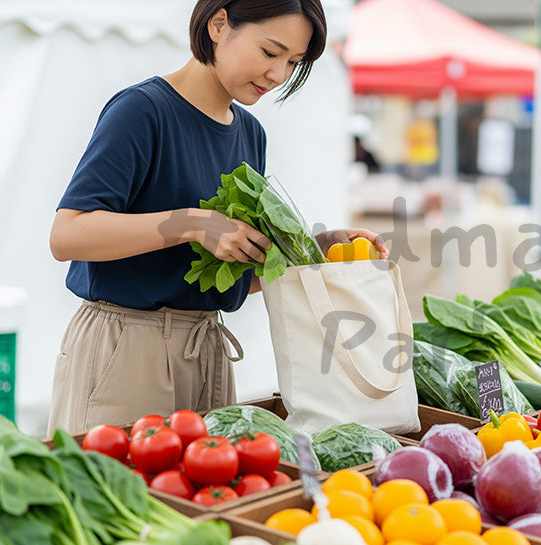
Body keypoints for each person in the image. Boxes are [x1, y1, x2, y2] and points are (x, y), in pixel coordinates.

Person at [47, 0, 387, 435]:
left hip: (208, 348)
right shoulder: (143, 111)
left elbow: (234, 276)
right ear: (219, 24)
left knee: (195, 501)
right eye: (270, 53)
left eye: (293, 62)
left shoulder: (250, 133)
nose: (279, 76)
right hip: (126, 347)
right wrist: (192, 223)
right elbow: (69, 233)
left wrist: (318, 249)